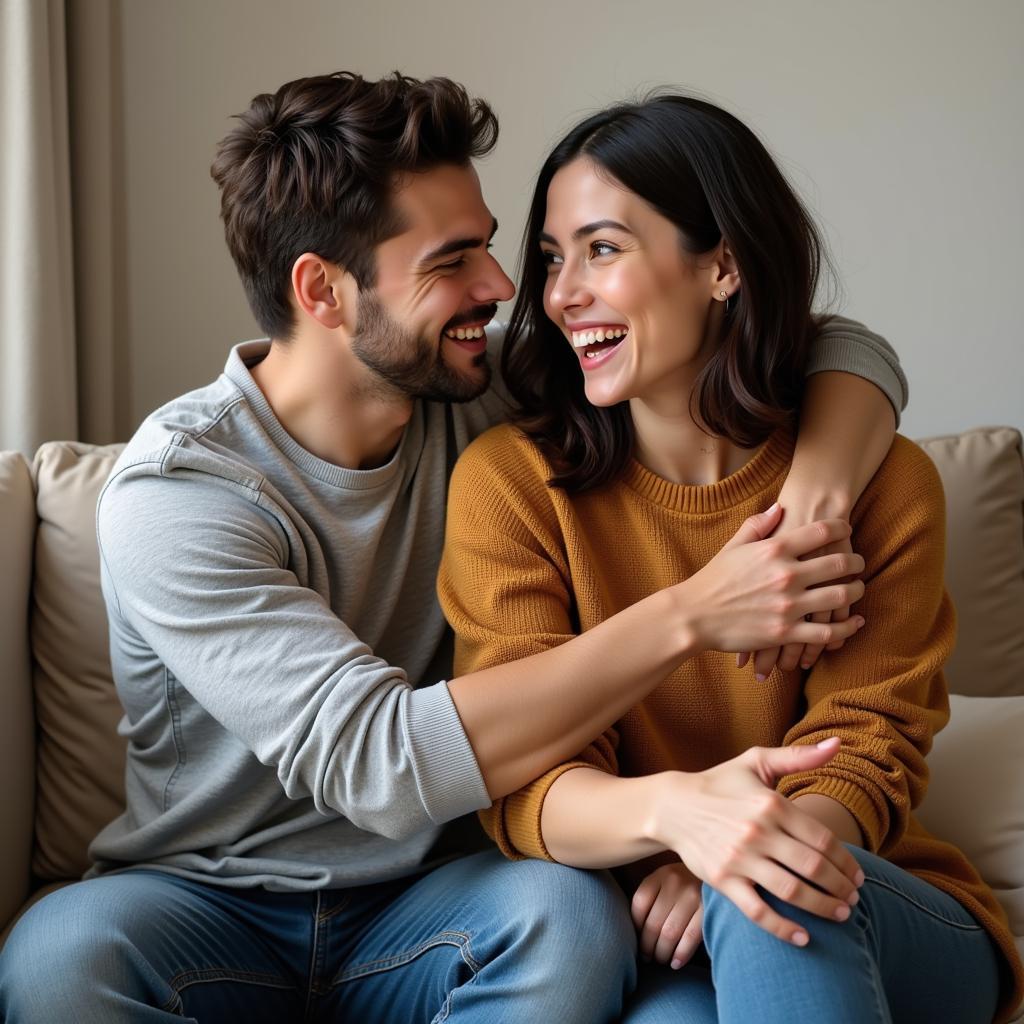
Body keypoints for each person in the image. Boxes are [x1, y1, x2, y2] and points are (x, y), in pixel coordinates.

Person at [2, 73, 904, 1023]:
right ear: (324, 291)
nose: (504, 286)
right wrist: (691, 614)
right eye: (453, 260)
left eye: (488, 244)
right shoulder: (180, 495)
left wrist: (813, 506)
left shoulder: (476, 382)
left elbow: (824, 345)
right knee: (59, 956)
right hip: (204, 901)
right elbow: (382, 766)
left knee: (566, 913)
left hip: (437, 900)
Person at [439, 93, 1024, 1023]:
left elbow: (871, 745)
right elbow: (527, 785)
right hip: (651, 928)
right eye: (551, 259)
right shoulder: (509, 486)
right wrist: (689, 829)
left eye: (602, 248)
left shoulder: (878, 483)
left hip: (871, 900)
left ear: (722, 264)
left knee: (767, 886)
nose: (558, 295)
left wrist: (730, 854)